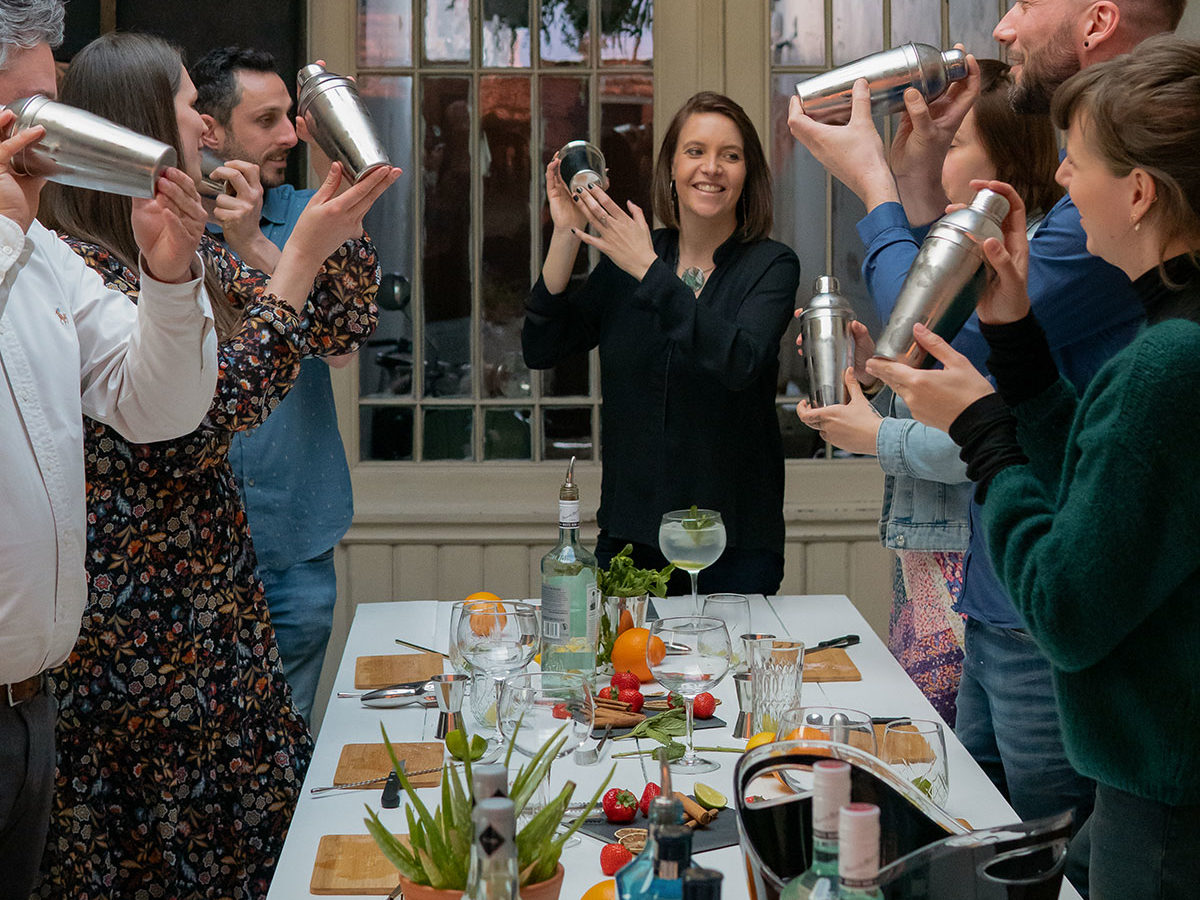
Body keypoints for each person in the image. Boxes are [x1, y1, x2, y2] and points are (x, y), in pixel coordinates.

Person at [786, 2, 1184, 867]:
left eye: (1075, 165)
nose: (1063, 186)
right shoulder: (1162, 335)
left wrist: (982, 424)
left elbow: (1068, 605)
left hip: (1154, 798)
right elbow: (1082, 453)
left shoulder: (1170, 358)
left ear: (1141, 192)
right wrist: (1014, 343)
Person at [31, 32, 399, 900]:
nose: (203, 121)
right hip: (145, 645)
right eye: (187, 104)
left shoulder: (185, 241)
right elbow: (209, 413)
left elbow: (328, 328)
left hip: (212, 625)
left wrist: (299, 236)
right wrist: (300, 254)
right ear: (137, 128)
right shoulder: (81, 266)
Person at [0, 3, 218, 898]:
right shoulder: (20, 237)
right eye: (23, 112)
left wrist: (169, 277)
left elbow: (158, 406)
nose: (39, 137)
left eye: (48, 108)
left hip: (29, 706)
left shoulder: (46, 254)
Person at [795, 60, 1063, 726]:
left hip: (978, 569)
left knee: (959, 785)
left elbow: (988, 425)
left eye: (955, 137)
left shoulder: (1020, 264)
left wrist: (876, 435)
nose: (934, 146)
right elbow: (946, 380)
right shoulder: (975, 247)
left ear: (995, 167)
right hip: (959, 566)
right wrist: (875, 374)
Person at [522, 92, 800, 595]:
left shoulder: (770, 266)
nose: (711, 168)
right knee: (623, 675)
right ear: (671, 165)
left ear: (747, 174)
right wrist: (567, 232)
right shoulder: (634, 259)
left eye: (730, 155)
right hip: (631, 540)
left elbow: (740, 361)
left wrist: (648, 270)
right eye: (695, 151)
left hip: (731, 544)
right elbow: (542, 346)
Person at [190, 45, 357, 722]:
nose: (292, 134)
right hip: (191, 559)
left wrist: (258, 242)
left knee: (286, 749)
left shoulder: (318, 218)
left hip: (294, 541)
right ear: (210, 129)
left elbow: (341, 348)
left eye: (291, 115)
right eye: (268, 120)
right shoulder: (160, 219)